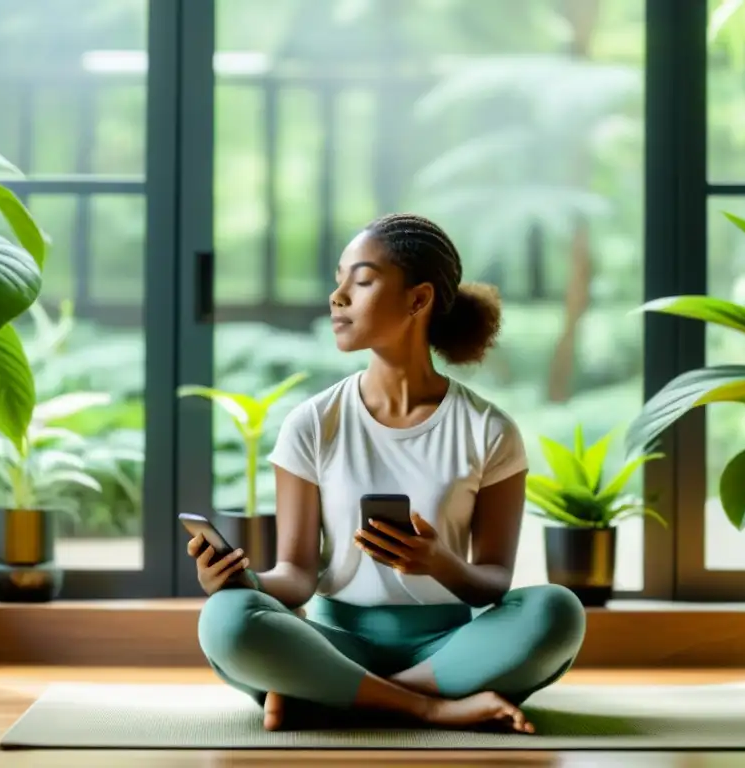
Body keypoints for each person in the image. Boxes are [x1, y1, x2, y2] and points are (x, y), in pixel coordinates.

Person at [186, 213, 587, 733]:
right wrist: (243, 581)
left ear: (418, 300)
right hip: (334, 641)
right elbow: (298, 575)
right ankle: (429, 707)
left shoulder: (490, 430)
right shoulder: (312, 423)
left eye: (362, 279)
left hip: (447, 647)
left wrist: (439, 561)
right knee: (226, 619)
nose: (338, 297)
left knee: (558, 611)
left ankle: (333, 695)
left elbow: (491, 583)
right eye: (338, 280)